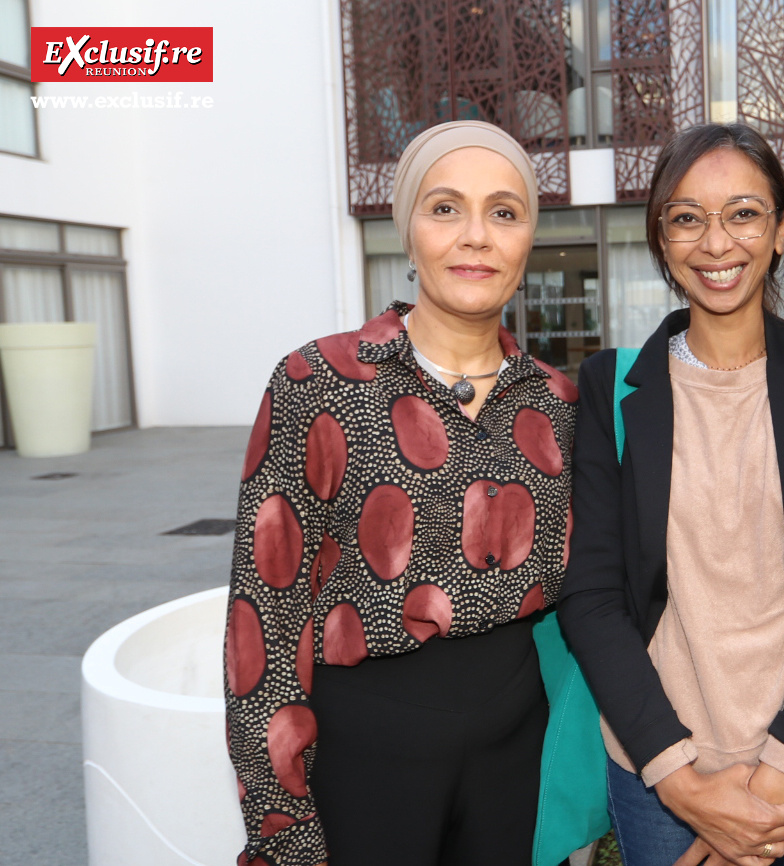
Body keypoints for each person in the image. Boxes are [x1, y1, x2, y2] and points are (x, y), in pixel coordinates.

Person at [223, 120, 576, 866]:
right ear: (407, 231)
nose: (476, 236)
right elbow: (266, 615)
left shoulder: (559, 404)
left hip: (520, 751)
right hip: (364, 755)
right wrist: (281, 821)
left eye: (504, 212)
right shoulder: (314, 383)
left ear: (528, 240)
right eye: (445, 208)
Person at [560, 122, 784, 866]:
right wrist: (683, 785)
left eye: (744, 214)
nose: (716, 243)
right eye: (687, 218)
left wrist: (775, 781)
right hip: (662, 771)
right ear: (661, 238)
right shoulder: (612, 389)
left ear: (782, 229)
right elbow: (590, 599)